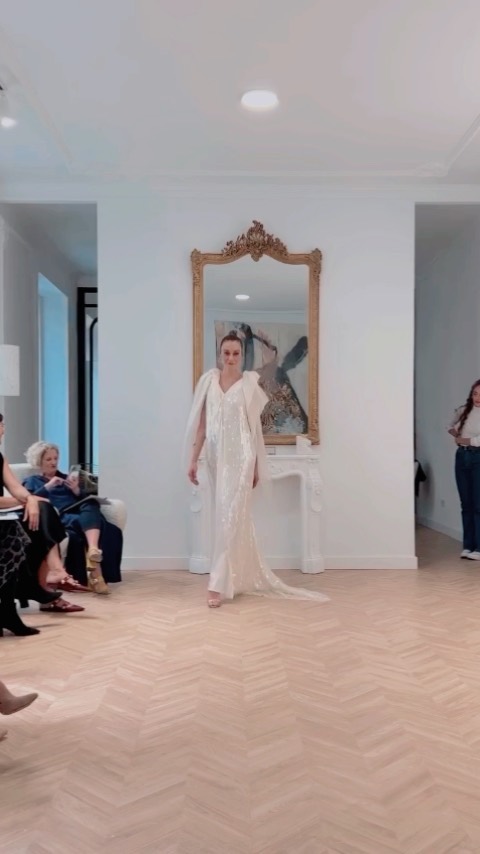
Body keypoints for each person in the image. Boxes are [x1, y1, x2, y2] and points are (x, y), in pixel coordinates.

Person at [184, 332, 329, 608]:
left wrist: (254, 467)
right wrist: (193, 459)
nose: (230, 358)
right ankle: (237, 577)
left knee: (230, 516)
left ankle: (216, 583)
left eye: (235, 353)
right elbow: (202, 427)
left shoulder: (249, 384)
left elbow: (253, 430)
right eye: (226, 353)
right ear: (220, 354)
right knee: (227, 517)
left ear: (242, 356)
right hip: (215, 458)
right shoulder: (209, 382)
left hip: (241, 458)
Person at [0, 415, 86, 615]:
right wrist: (27, 500)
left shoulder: (0, 458)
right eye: (1, 425)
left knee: (43, 508)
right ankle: (42, 586)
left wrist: (29, 499)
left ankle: (53, 575)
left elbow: (15, 488)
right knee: (40, 509)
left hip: (4, 515)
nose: (3, 430)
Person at [23, 442, 118, 595]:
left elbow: (82, 499)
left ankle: (93, 550)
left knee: (91, 504)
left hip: (81, 512)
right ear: (39, 461)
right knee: (99, 524)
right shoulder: (32, 481)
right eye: (49, 459)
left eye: (55, 458)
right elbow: (29, 500)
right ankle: (97, 574)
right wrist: (48, 487)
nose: (54, 462)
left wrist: (76, 490)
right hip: (60, 516)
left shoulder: (66, 478)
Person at [448, 378, 480, 560]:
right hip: (461, 457)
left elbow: (478, 441)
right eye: (475, 393)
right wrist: (456, 435)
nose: (478, 398)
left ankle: (479, 548)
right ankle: (468, 546)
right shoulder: (463, 410)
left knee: (478, 505)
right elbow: (449, 425)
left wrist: (462, 439)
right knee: (466, 504)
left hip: (478, 458)